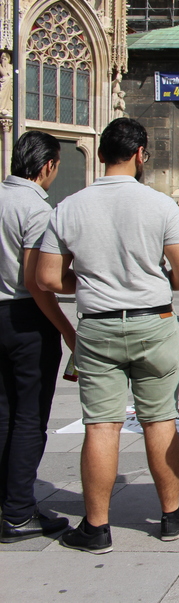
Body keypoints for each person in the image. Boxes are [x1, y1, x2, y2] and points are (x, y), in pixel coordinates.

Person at [37, 118, 179, 553]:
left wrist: (92, 281)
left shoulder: (69, 207)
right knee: (159, 419)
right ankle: (171, 515)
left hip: (98, 325)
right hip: (153, 322)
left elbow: (48, 277)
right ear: (140, 154)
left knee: (101, 425)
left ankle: (96, 527)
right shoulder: (160, 205)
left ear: (101, 154)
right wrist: (153, 279)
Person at [0, 131, 74, 543]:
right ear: (47, 165)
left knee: (3, 413)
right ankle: (17, 512)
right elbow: (37, 281)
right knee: (29, 417)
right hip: (25, 318)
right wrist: (66, 330)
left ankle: (6, 503)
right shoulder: (35, 209)